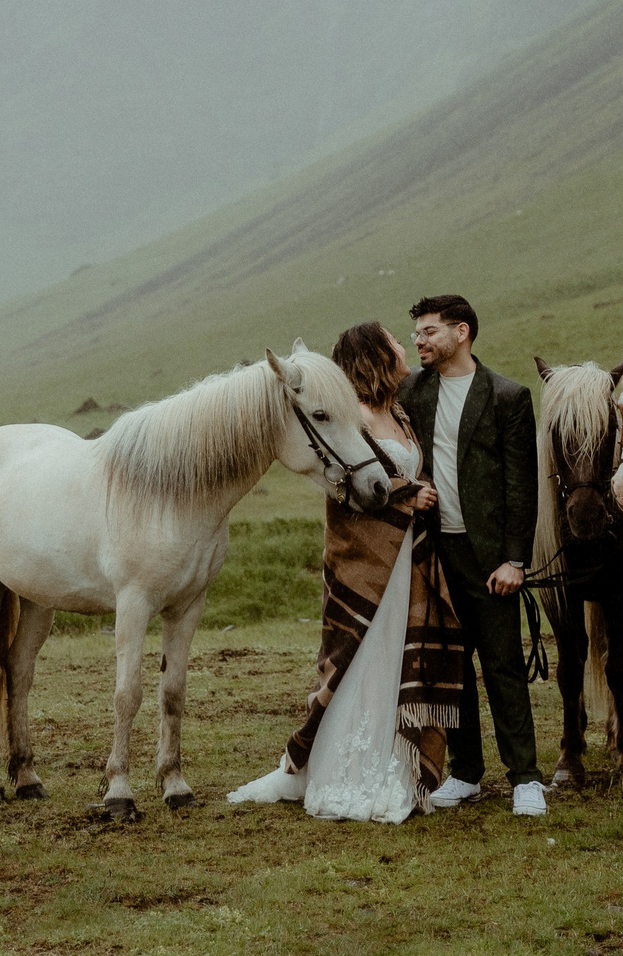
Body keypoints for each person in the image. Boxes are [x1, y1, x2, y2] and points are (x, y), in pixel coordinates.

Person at [227, 321, 466, 822]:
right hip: (369, 565)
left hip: (407, 562)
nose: (407, 347)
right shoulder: (351, 417)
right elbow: (348, 487)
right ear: (378, 355)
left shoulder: (398, 411)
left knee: (397, 658)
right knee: (364, 657)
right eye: (397, 342)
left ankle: (396, 765)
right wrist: (407, 494)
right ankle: (348, 772)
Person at [400, 293, 548, 817]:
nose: (419, 340)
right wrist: (408, 489)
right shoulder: (410, 392)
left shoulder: (508, 396)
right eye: (416, 332)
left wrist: (516, 560)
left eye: (430, 331)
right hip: (434, 553)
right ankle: (465, 773)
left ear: (461, 333)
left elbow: (521, 488)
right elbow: (388, 449)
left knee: (503, 665)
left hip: (491, 559)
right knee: (451, 666)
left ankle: (525, 778)